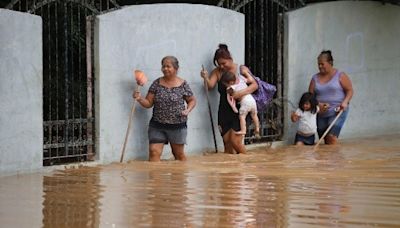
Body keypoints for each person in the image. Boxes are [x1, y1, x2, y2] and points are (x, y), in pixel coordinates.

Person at [133, 56, 196, 161]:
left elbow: (192, 100)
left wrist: (188, 109)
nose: (165, 69)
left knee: (178, 155)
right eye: (163, 66)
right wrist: (139, 99)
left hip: (177, 126)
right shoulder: (156, 84)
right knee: (154, 152)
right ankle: (154, 177)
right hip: (157, 125)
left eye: (168, 66)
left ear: (176, 68)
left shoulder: (183, 84)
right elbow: (148, 103)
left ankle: (180, 176)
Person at [200, 44, 258, 154]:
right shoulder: (217, 72)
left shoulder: (240, 69)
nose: (221, 66)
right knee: (227, 143)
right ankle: (231, 170)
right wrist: (205, 77)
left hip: (240, 109)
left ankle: (247, 164)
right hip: (224, 111)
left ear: (230, 59)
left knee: (235, 141)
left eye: (223, 63)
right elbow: (210, 86)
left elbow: (254, 85)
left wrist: (240, 93)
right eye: (218, 64)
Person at [308, 50, 354, 145]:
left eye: (322, 64)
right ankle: (328, 159)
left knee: (331, 138)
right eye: (318, 64)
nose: (320, 66)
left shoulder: (340, 75)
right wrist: (318, 105)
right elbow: (309, 97)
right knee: (324, 140)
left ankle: (336, 158)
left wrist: (345, 102)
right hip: (320, 113)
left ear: (330, 63)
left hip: (337, 111)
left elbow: (350, 90)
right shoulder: (314, 78)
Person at [220, 70, 260, 139]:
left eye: (226, 84)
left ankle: (243, 130)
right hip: (252, 100)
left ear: (231, 82)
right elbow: (250, 79)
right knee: (254, 115)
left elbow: (230, 95)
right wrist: (246, 73)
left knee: (242, 117)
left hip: (245, 102)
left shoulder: (232, 87)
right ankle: (257, 129)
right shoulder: (241, 79)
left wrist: (228, 90)